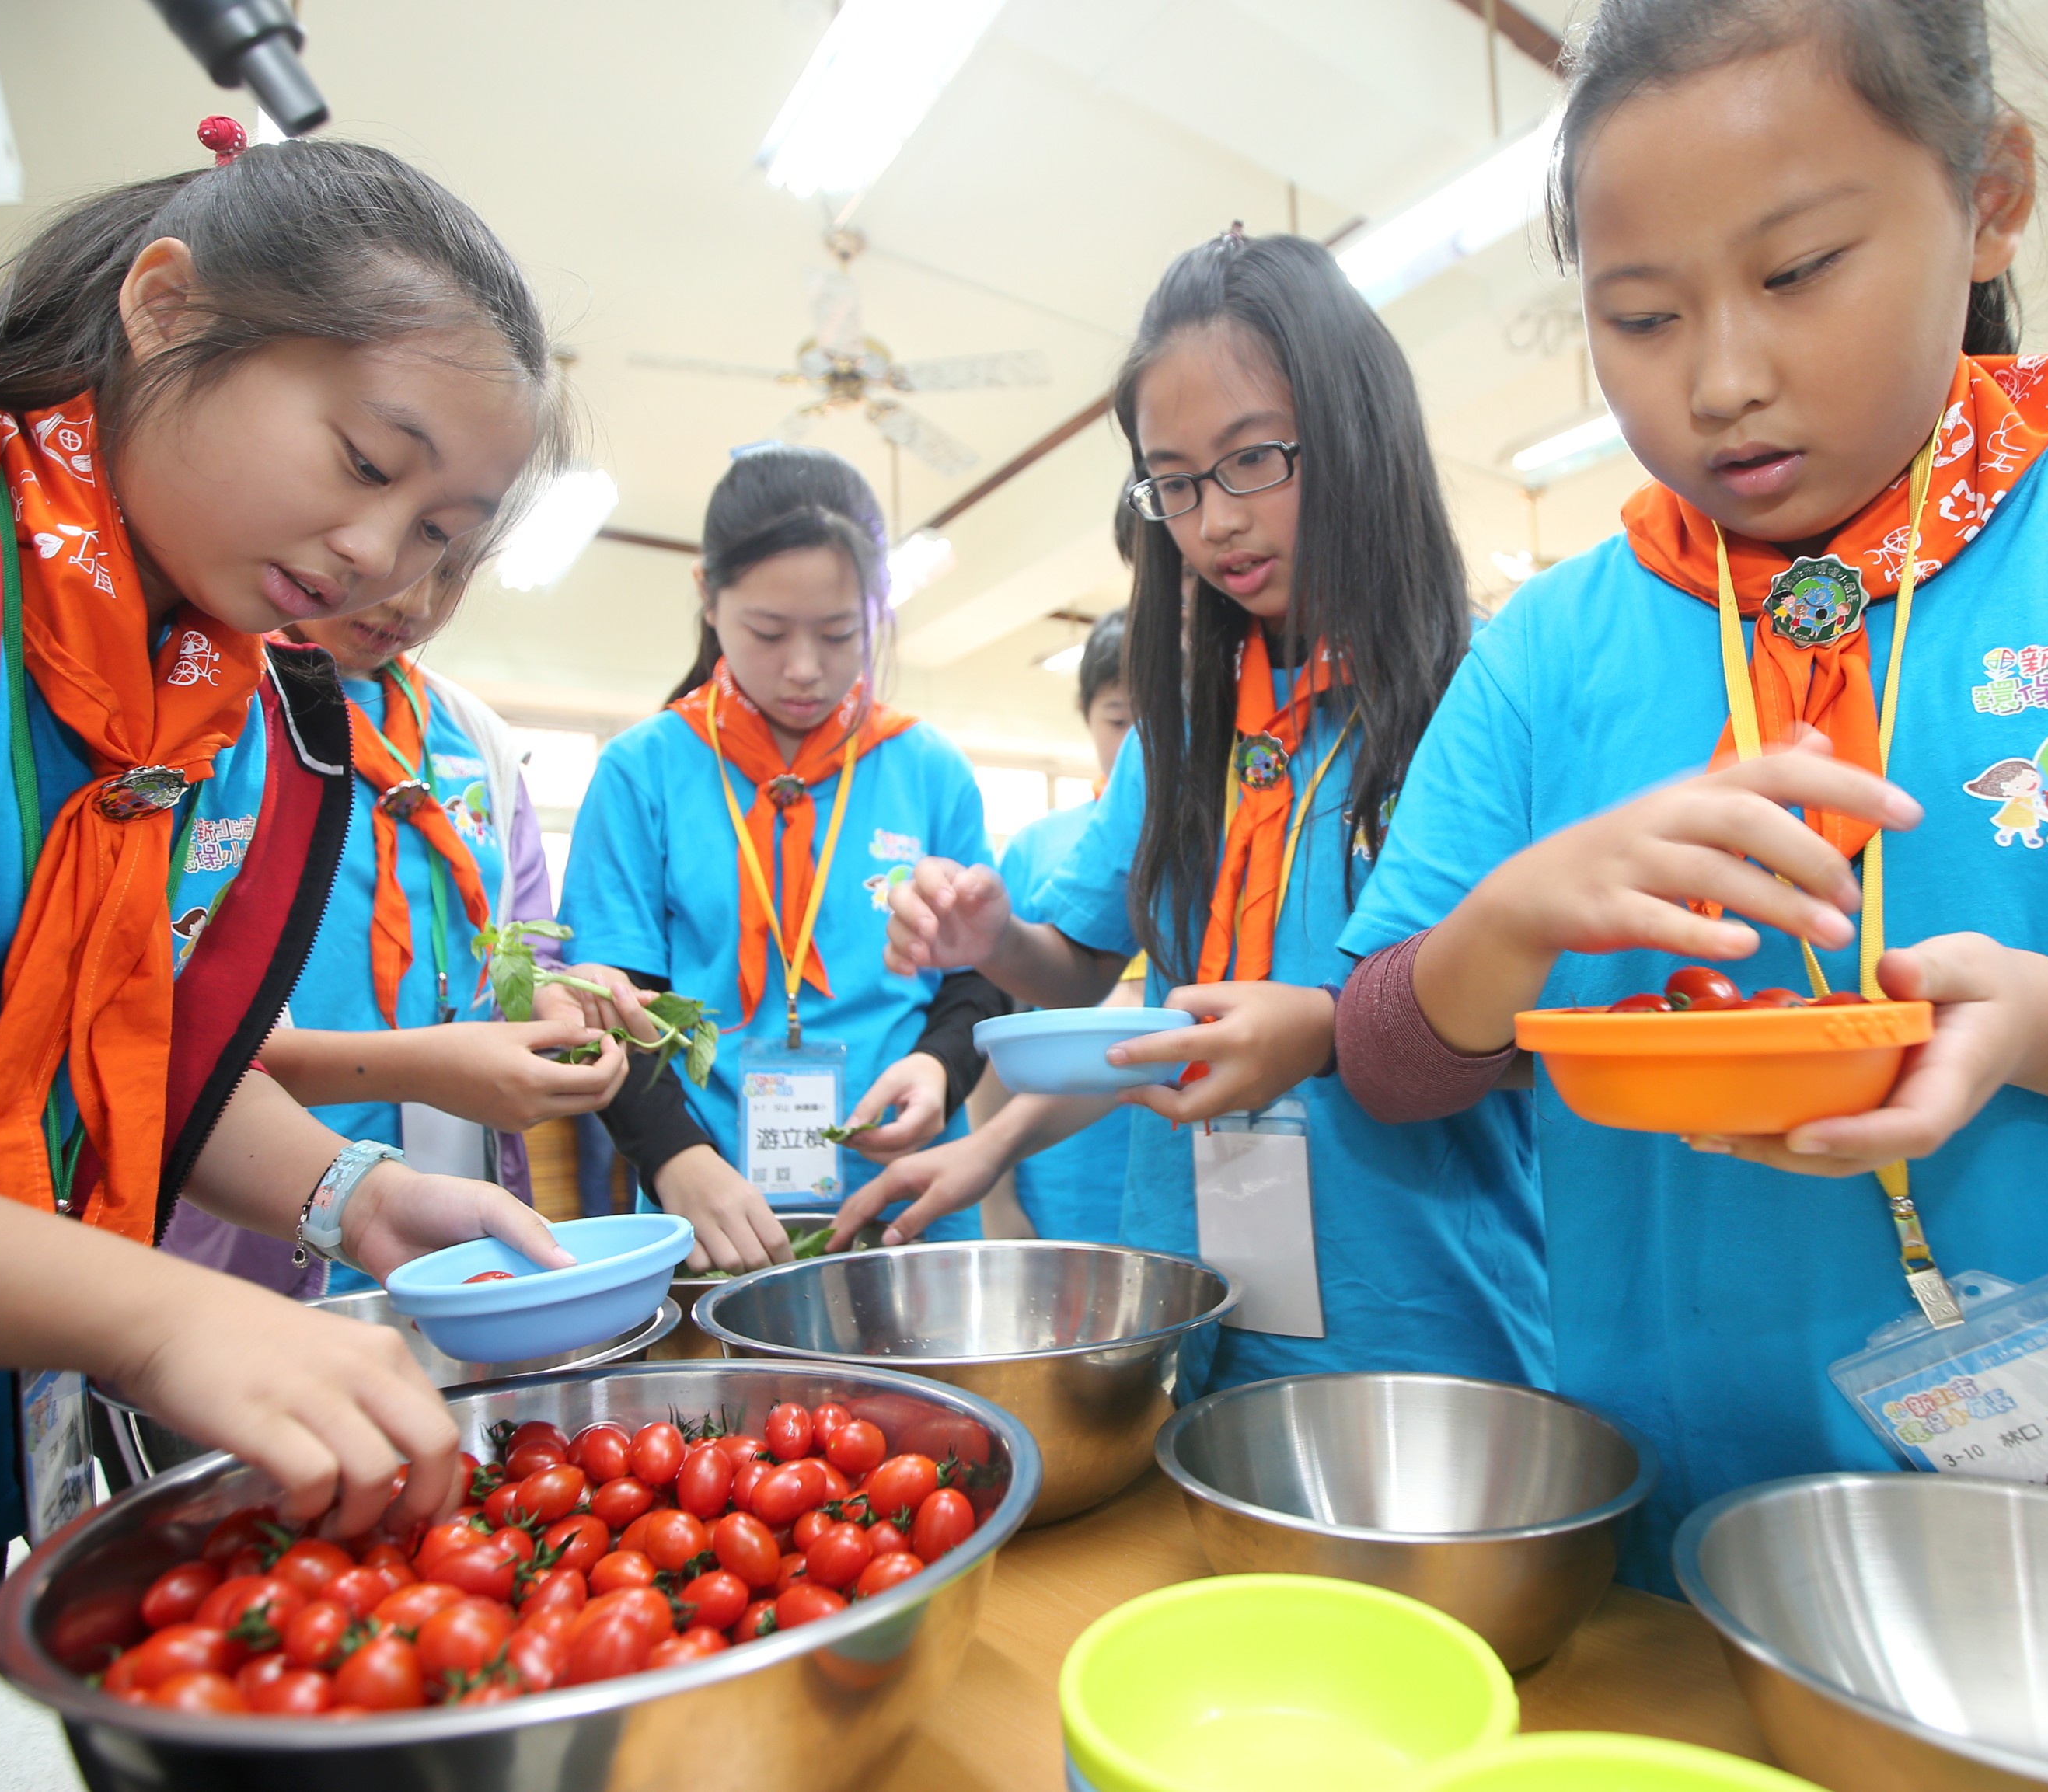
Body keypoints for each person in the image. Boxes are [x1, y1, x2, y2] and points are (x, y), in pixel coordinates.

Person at [1331, 0, 2048, 1591]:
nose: (1720, 378)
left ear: (1988, 187)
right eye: (1637, 318)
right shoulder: (1546, 655)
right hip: (1686, 1571)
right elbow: (1382, 1058)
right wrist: (1505, 927)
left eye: (1796, 273)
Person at [0, 124, 581, 1779]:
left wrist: (351, 1196)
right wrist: (148, 1316)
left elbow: (120, 1055)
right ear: (161, 304)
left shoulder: (217, 712)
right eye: (365, 460)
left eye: (445, 537)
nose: (385, 564)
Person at [867, 232, 1547, 1396]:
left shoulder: (1478, 697)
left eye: (1250, 462)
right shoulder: (1180, 725)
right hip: (1194, 1296)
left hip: (1418, 1311)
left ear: (1355, 433)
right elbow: (1077, 973)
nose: (1213, 521)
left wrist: (1330, 1027)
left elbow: (1534, 1031)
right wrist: (993, 944)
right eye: (1173, 483)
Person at [560, 445, 1009, 1271]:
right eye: (768, 631)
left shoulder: (927, 767)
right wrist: (673, 1158)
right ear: (707, 596)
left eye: (841, 633)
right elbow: (609, 1009)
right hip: (709, 1212)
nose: (806, 669)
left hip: (909, 1203)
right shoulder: (643, 771)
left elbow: (980, 980)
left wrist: (938, 1066)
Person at [170, 558, 637, 1297]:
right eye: (406, 554)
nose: (414, 602)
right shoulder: (220, 711)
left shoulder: (475, 738)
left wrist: (557, 1002)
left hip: (460, 1198)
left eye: (450, 570)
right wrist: (423, 1066)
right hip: (262, 1214)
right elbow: (180, 1035)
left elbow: (528, 948)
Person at [979, 607, 1139, 1243]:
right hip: (1060, 1176)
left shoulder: (1228, 840)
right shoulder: (1038, 848)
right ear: (1085, 711)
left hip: (1200, 1172)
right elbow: (995, 1034)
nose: (1139, 748)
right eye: (1120, 721)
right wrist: (995, 1200)